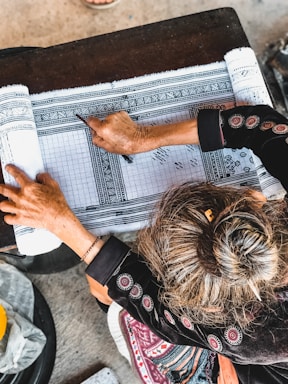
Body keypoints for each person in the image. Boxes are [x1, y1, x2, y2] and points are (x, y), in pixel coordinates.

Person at [1, 104, 288, 383]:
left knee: (104, 290)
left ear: (209, 309)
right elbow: (262, 127)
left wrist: (60, 221)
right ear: (254, 202)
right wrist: (144, 137)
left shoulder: (258, 338)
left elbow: (160, 312)